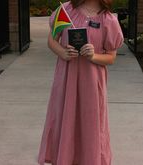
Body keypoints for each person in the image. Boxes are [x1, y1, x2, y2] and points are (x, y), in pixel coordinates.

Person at [38, 0, 124, 164]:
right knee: (65, 120)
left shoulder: (108, 20)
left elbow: (111, 58)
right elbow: (51, 40)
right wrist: (62, 52)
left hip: (92, 84)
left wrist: (93, 56)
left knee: (90, 124)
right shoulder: (65, 10)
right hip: (65, 81)